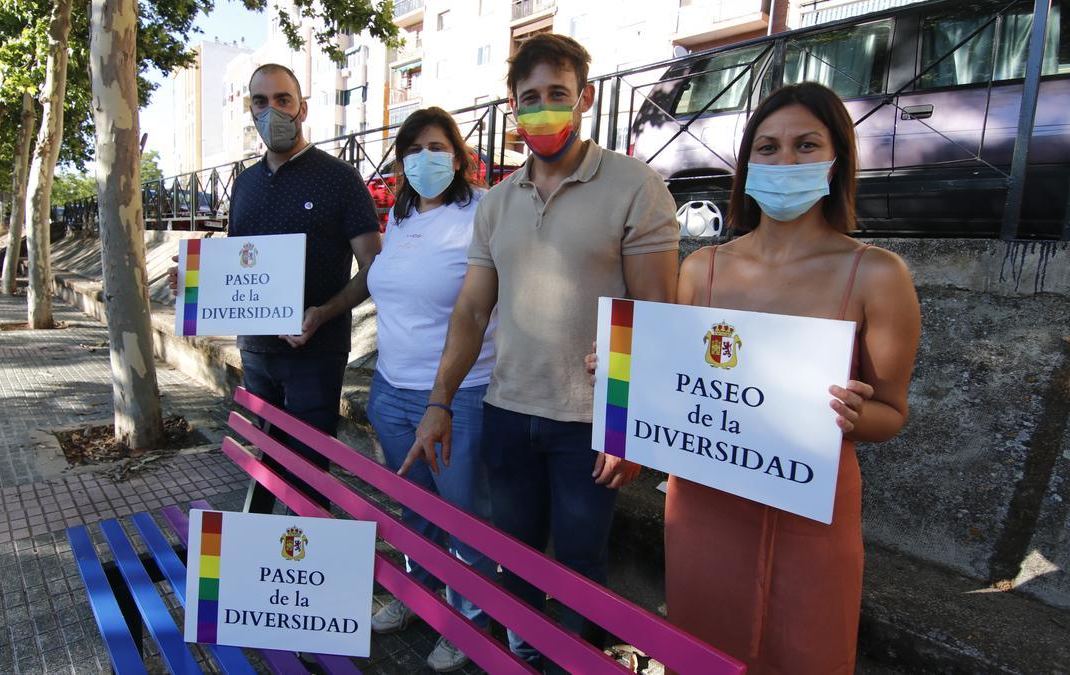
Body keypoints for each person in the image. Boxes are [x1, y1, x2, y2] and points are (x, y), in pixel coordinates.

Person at [402, 33, 680, 669]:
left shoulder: (635, 186)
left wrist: (632, 424)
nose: (545, 108)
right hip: (507, 412)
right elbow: (472, 310)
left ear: (583, 99)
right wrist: (439, 400)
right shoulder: (496, 204)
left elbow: (657, 315)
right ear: (513, 105)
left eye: (559, 94)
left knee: (583, 568)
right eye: (532, 97)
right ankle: (523, 658)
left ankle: (580, 661)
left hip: (589, 423)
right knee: (517, 557)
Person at [658, 82, 920, 673]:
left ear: (837, 160)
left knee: (804, 648)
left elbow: (891, 414)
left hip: (810, 512)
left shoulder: (878, 276)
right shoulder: (701, 269)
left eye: (806, 145)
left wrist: (856, 415)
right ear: (748, 163)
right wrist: (622, 372)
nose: (785, 162)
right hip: (705, 499)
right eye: (768, 148)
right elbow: (678, 384)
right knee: (700, 647)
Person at [168, 63, 381, 513]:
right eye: (261, 102)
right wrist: (196, 283)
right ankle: (259, 562)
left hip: (316, 353)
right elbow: (239, 267)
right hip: (257, 352)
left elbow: (373, 267)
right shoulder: (243, 184)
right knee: (264, 456)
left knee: (309, 466)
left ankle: (300, 567)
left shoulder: (339, 179)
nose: (272, 111)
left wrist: (322, 313)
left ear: (302, 109)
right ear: (250, 111)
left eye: (283, 100)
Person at [363, 107, 497, 672]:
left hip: (458, 396)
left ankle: (471, 623)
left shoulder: (483, 212)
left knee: (465, 516)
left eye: (437, 147)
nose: (425, 159)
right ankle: (420, 596)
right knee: (414, 508)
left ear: (460, 156)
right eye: (413, 149)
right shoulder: (402, 215)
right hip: (391, 389)